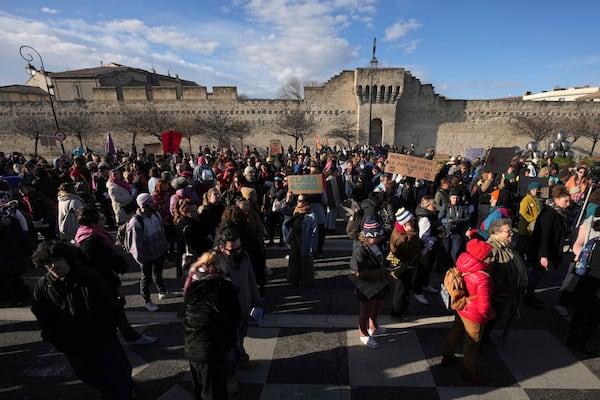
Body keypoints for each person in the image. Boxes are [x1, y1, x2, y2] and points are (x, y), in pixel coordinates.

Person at [30, 240, 135, 399]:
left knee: (116, 371)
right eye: (48, 262)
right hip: (71, 343)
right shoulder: (43, 285)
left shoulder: (88, 277)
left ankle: (123, 393)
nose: (52, 265)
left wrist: (104, 330)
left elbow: (108, 306)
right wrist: (53, 336)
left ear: (67, 258)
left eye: (57, 260)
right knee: (86, 374)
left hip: (100, 338)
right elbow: (41, 313)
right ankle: (109, 392)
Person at [74, 206, 157, 346]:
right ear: (94, 223)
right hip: (101, 284)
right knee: (114, 310)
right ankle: (128, 338)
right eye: (101, 218)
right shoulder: (91, 242)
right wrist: (117, 286)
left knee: (113, 312)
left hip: (100, 282)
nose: (104, 220)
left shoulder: (86, 234)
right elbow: (103, 269)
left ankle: (127, 336)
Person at [184, 250, 242, 400]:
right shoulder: (224, 288)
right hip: (212, 351)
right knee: (215, 393)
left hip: (192, 348)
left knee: (200, 390)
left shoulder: (193, 286)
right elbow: (234, 320)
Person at [214, 224, 262, 393]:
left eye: (239, 247)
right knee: (227, 346)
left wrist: (257, 300)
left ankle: (242, 359)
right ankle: (229, 375)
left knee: (241, 338)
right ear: (221, 248)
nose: (237, 252)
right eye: (232, 250)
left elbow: (251, 278)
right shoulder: (215, 264)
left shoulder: (244, 255)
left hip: (244, 307)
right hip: (227, 314)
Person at [441, 239, 495, 384]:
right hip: (474, 314)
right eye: (490, 255)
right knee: (472, 343)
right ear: (482, 257)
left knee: (455, 331)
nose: (492, 258)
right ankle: (469, 371)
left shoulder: (463, 263)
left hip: (461, 306)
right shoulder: (483, 278)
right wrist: (488, 315)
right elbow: (484, 306)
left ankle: (447, 356)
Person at [482, 218, 527, 346]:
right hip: (496, 294)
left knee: (495, 317)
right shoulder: (492, 249)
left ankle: (484, 339)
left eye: (512, 231)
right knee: (490, 319)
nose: (512, 234)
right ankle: (481, 342)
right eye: (508, 232)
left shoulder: (506, 246)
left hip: (504, 293)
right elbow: (486, 274)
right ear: (496, 233)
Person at [525, 186, 571, 308]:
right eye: (565, 201)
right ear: (556, 200)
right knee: (536, 273)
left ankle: (529, 294)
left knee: (538, 273)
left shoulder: (558, 213)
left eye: (569, 201)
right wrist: (543, 255)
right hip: (540, 250)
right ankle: (527, 295)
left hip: (548, 249)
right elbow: (544, 236)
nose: (568, 204)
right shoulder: (549, 215)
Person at [127, 193, 173, 312]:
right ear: (144, 205)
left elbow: (161, 232)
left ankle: (162, 292)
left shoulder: (156, 215)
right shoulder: (136, 222)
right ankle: (147, 301)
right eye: (151, 202)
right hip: (146, 256)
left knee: (158, 273)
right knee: (146, 278)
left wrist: (164, 248)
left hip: (159, 252)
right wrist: (141, 259)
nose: (154, 204)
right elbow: (135, 244)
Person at [349, 218, 389, 349]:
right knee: (366, 309)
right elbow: (360, 273)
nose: (379, 238)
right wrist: (383, 271)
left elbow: (381, 259)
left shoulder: (377, 244)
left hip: (379, 282)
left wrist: (388, 265)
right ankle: (363, 333)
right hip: (366, 285)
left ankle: (374, 326)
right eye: (376, 236)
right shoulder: (360, 250)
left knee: (378, 304)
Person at [566, 209, 600, 354]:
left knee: (580, 312)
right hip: (596, 285)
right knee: (594, 316)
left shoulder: (594, 242)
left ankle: (572, 338)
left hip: (585, 281)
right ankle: (580, 341)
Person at [388, 208, 421, 320]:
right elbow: (410, 251)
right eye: (411, 220)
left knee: (405, 290)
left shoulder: (400, 230)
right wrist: (411, 234)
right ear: (405, 223)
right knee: (401, 291)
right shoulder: (402, 237)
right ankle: (396, 313)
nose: (414, 222)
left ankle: (404, 310)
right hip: (404, 267)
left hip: (407, 265)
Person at [282, 193, 318, 287]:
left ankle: (305, 281)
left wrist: (311, 247)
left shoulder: (311, 215)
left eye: (300, 200)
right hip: (295, 241)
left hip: (304, 242)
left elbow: (314, 233)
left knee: (305, 262)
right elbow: (283, 210)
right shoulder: (295, 210)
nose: (298, 202)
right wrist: (287, 199)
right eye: (297, 200)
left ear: (306, 202)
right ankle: (294, 279)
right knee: (294, 261)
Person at [413, 195, 442, 304]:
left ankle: (425, 285)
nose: (435, 206)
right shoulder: (425, 218)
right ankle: (417, 291)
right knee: (422, 269)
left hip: (431, 247)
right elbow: (423, 237)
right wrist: (434, 239)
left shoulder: (431, 215)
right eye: (433, 204)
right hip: (427, 249)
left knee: (428, 268)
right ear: (427, 206)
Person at [515, 181, 542, 257]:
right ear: (530, 190)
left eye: (537, 190)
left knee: (527, 246)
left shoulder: (536, 200)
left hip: (532, 228)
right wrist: (533, 219)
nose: (536, 191)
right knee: (521, 246)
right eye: (534, 190)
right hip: (526, 228)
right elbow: (523, 213)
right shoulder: (526, 200)